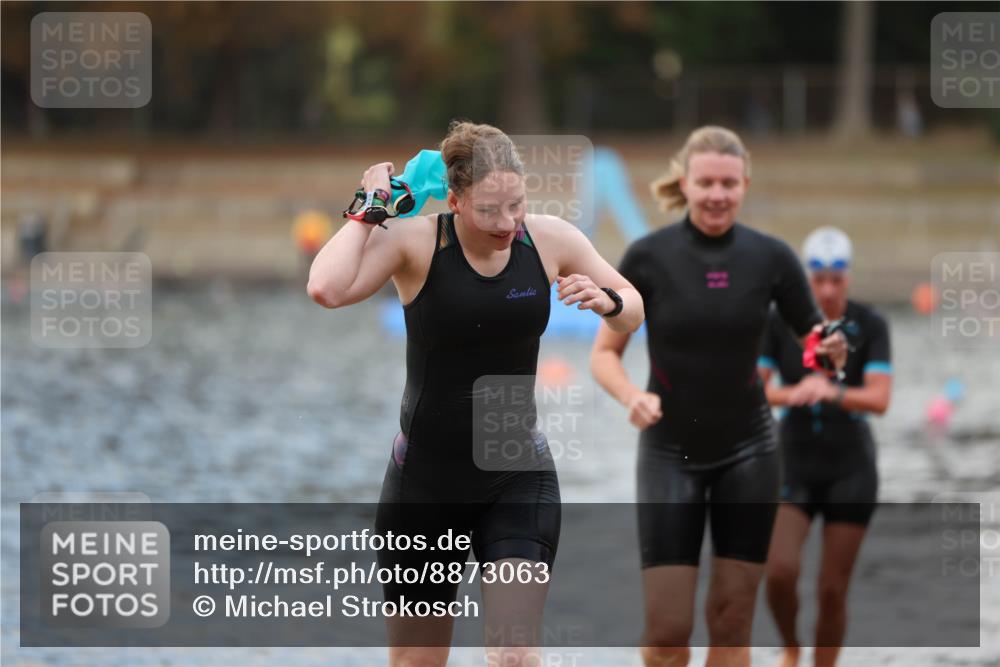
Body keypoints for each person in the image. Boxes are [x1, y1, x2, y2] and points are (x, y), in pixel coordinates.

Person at [307, 120, 643, 667]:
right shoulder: (416, 241)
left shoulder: (550, 237)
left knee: (515, 655)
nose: (508, 221)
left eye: (517, 204)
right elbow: (326, 288)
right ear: (455, 199)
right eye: (490, 209)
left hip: (516, 478)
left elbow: (634, 305)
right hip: (424, 488)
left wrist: (607, 299)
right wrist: (369, 209)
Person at [589, 126, 847, 667]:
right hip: (668, 452)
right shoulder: (646, 258)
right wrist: (632, 397)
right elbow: (603, 355)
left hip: (749, 450)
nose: (717, 194)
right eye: (705, 182)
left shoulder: (771, 258)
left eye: (728, 183)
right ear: (685, 182)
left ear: (745, 184)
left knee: (731, 621)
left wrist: (833, 350)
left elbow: (816, 342)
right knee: (667, 630)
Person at [758, 227, 892, 667]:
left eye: (837, 279)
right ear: (806, 279)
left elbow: (879, 399)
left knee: (832, 589)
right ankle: (792, 648)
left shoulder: (869, 325)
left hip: (850, 470)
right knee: (779, 571)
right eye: (819, 279)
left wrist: (831, 392)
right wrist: (792, 392)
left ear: (848, 277)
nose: (829, 289)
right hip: (794, 463)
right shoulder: (778, 322)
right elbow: (753, 391)